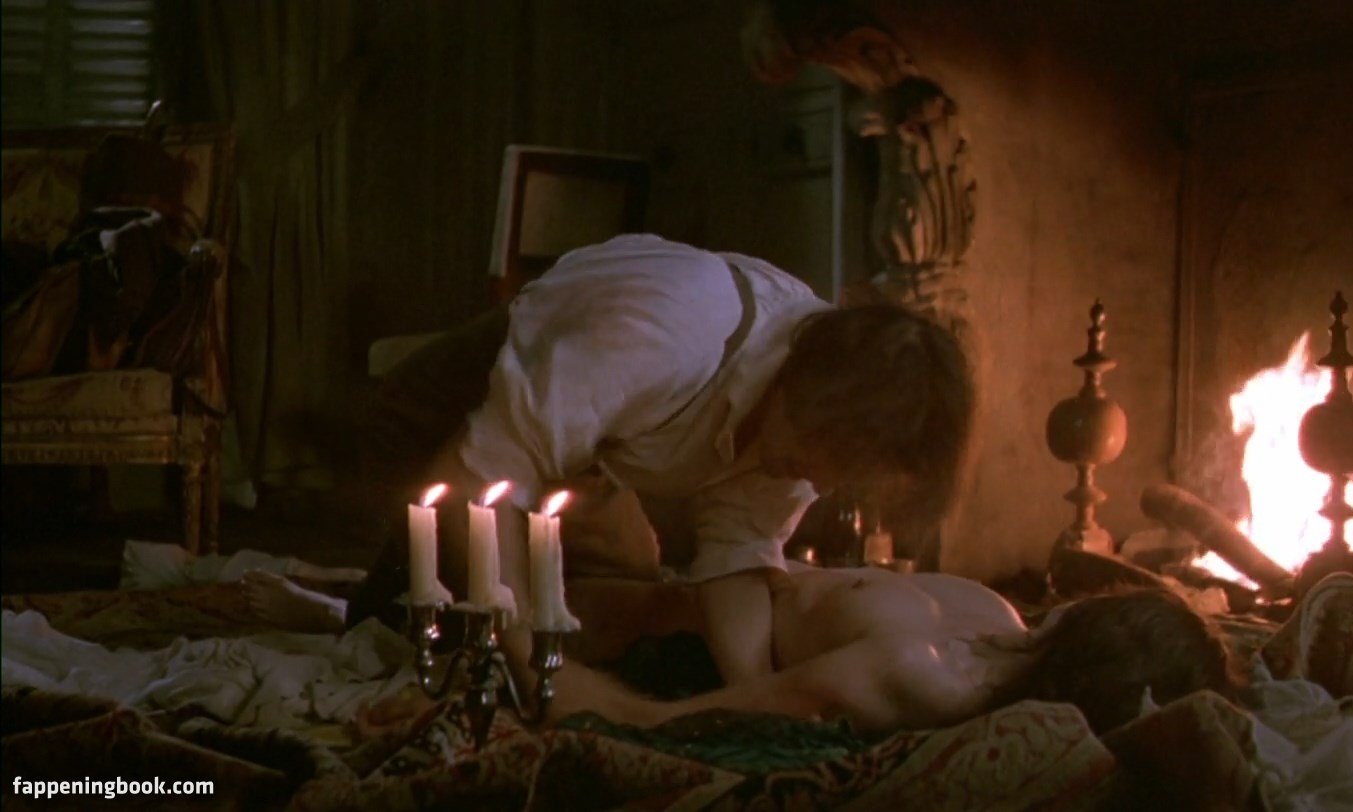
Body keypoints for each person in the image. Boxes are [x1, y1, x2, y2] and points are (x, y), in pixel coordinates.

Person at [248, 234, 975, 687]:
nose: (823, 479)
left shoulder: (813, 413)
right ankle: (343, 604)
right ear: (810, 393)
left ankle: (365, 598)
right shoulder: (670, 333)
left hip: (587, 451)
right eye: (831, 455)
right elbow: (480, 480)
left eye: (848, 469)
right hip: (450, 420)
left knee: (621, 595)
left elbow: (738, 550)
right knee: (444, 633)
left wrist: (754, 693)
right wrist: (534, 669)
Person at [531, 567, 1245, 736]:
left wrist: (527, 655)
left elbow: (693, 715)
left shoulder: (926, 678)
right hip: (706, 575)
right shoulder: (992, 612)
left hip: (662, 635)